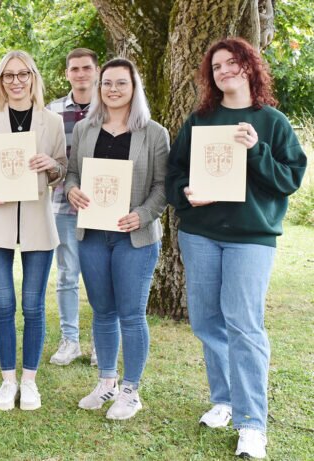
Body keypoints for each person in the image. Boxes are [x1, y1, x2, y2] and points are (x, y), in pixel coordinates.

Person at [165, 37, 306, 459]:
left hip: (250, 237)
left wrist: (256, 151)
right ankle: (224, 400)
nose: (224, 70)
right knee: (207, 320)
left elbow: (289, 179)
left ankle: (252, 423)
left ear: (249, 67)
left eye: (232, 63)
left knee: (244, 325)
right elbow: (175, 172)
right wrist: (185, 193)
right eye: (217, 66)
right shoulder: (200, 120)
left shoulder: (272, 122)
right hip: (200, 234)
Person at [65, 58, 169, 420]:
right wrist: (72, 190)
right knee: (102, 311)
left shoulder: (154, 133)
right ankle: (107, 382)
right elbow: (72, 173)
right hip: (93, 235)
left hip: (134, 237)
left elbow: (163, 185)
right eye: (107, 83)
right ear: (99, 87)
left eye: (121, 83)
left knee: (131, 313)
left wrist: (143, 213)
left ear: (134, 87)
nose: (113, 89)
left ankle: (130, 391)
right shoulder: (85, 129)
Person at [0, 50, 66, 411]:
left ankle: (29, 381)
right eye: (8, 75)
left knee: (33, 305)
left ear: (33, 77)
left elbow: (62, 169)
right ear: (1, 80)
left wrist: (52, 165)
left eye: (22, 74)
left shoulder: (51, 121)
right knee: (3, 303)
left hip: (38, 223)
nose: (16, 81)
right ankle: (7, 380)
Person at [46, 48, 100, 367]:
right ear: (67, 73)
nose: (80, 74)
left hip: (102, 206)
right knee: (67, 274)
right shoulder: (52, 111)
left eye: (86, 68)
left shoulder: (109, 107)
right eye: (74, 69)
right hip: (63, 207)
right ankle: (70, 340)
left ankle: (100, 342)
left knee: (99, 276)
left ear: (96, 71)